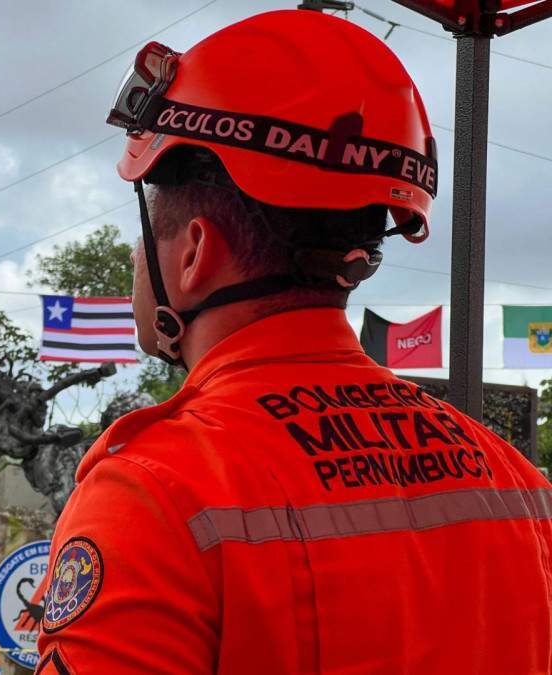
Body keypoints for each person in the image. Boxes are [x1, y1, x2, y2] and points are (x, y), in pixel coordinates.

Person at [36, 10, 552, 675]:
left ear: (194, 251)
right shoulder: (513, 479)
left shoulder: (156, 494)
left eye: (146, 230)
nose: (139, 254)